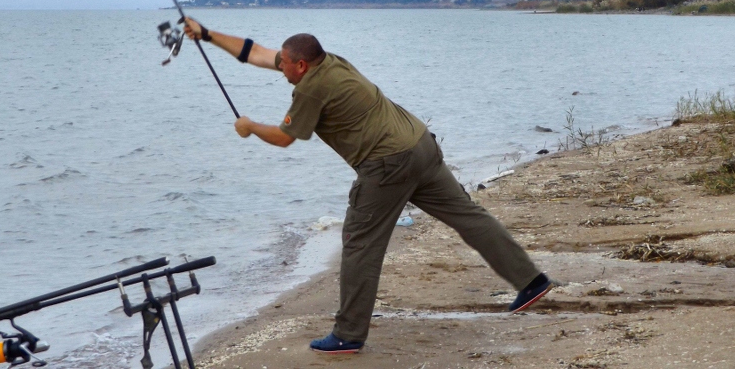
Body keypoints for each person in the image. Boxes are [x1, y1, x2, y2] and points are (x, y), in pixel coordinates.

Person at [183, 18, 553, 355]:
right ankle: (531, 280)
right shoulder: (331, 61)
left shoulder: (311, 88)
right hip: (420, 144)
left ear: (302, 65)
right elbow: (258, 54)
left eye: (286, 66)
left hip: (387, 164)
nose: (281, 71)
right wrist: (208, 35)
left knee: (359, 244)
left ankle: (348, 335)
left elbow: (284, 138)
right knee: (468, 216)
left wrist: (249, 127)